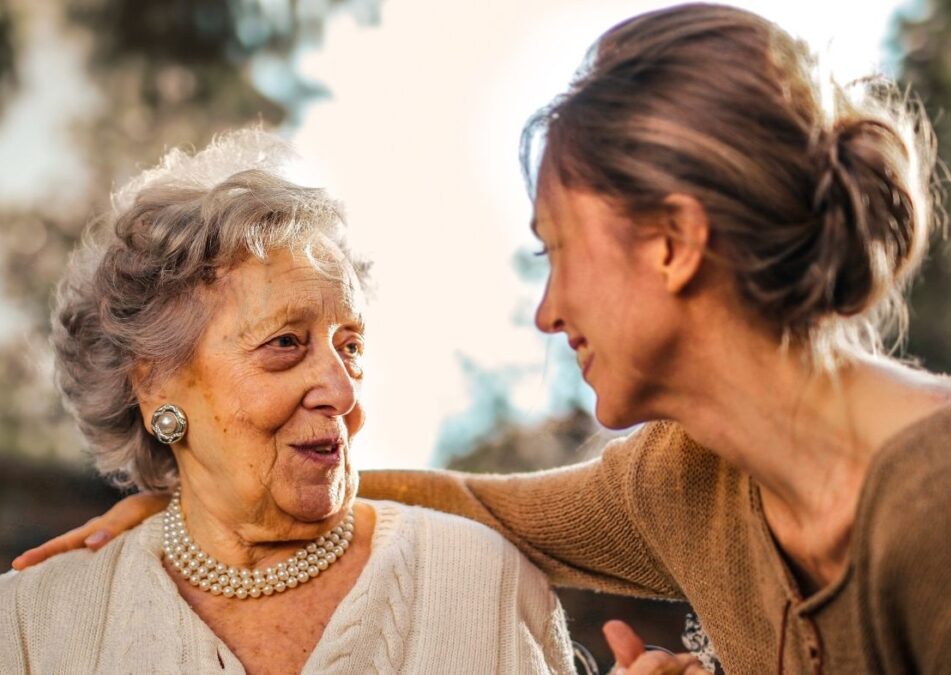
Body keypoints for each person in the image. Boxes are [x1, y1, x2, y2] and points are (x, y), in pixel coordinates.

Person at [16, 4, 951, 674]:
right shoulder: (688, 481)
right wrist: (193, 482)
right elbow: (473, 502)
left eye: (559, 251)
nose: (548, 310)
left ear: (672, 243)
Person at [0, 129, 575, 674]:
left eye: (350, 346)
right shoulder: (31, 624)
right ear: (155, 387)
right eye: (285, 343)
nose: (343, 391)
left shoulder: (485, 584)